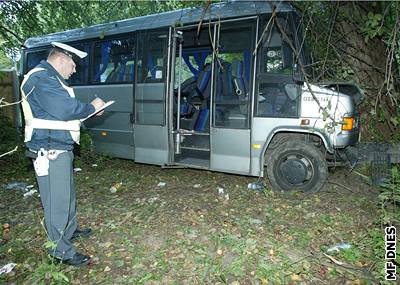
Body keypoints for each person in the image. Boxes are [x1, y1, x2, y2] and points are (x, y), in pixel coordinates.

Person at [20, 42, 105, 266]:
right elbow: (66, 109)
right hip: (50, 150)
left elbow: (61, 114)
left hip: (59, 147)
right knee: (56, 201)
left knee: (66, 195)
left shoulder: (50, 79)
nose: (74, 69)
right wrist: (91, 106)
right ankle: (60, 251)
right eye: (73, 64)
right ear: (61, 58)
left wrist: (89, 111)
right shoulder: (41, 78)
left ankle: (69, 230)